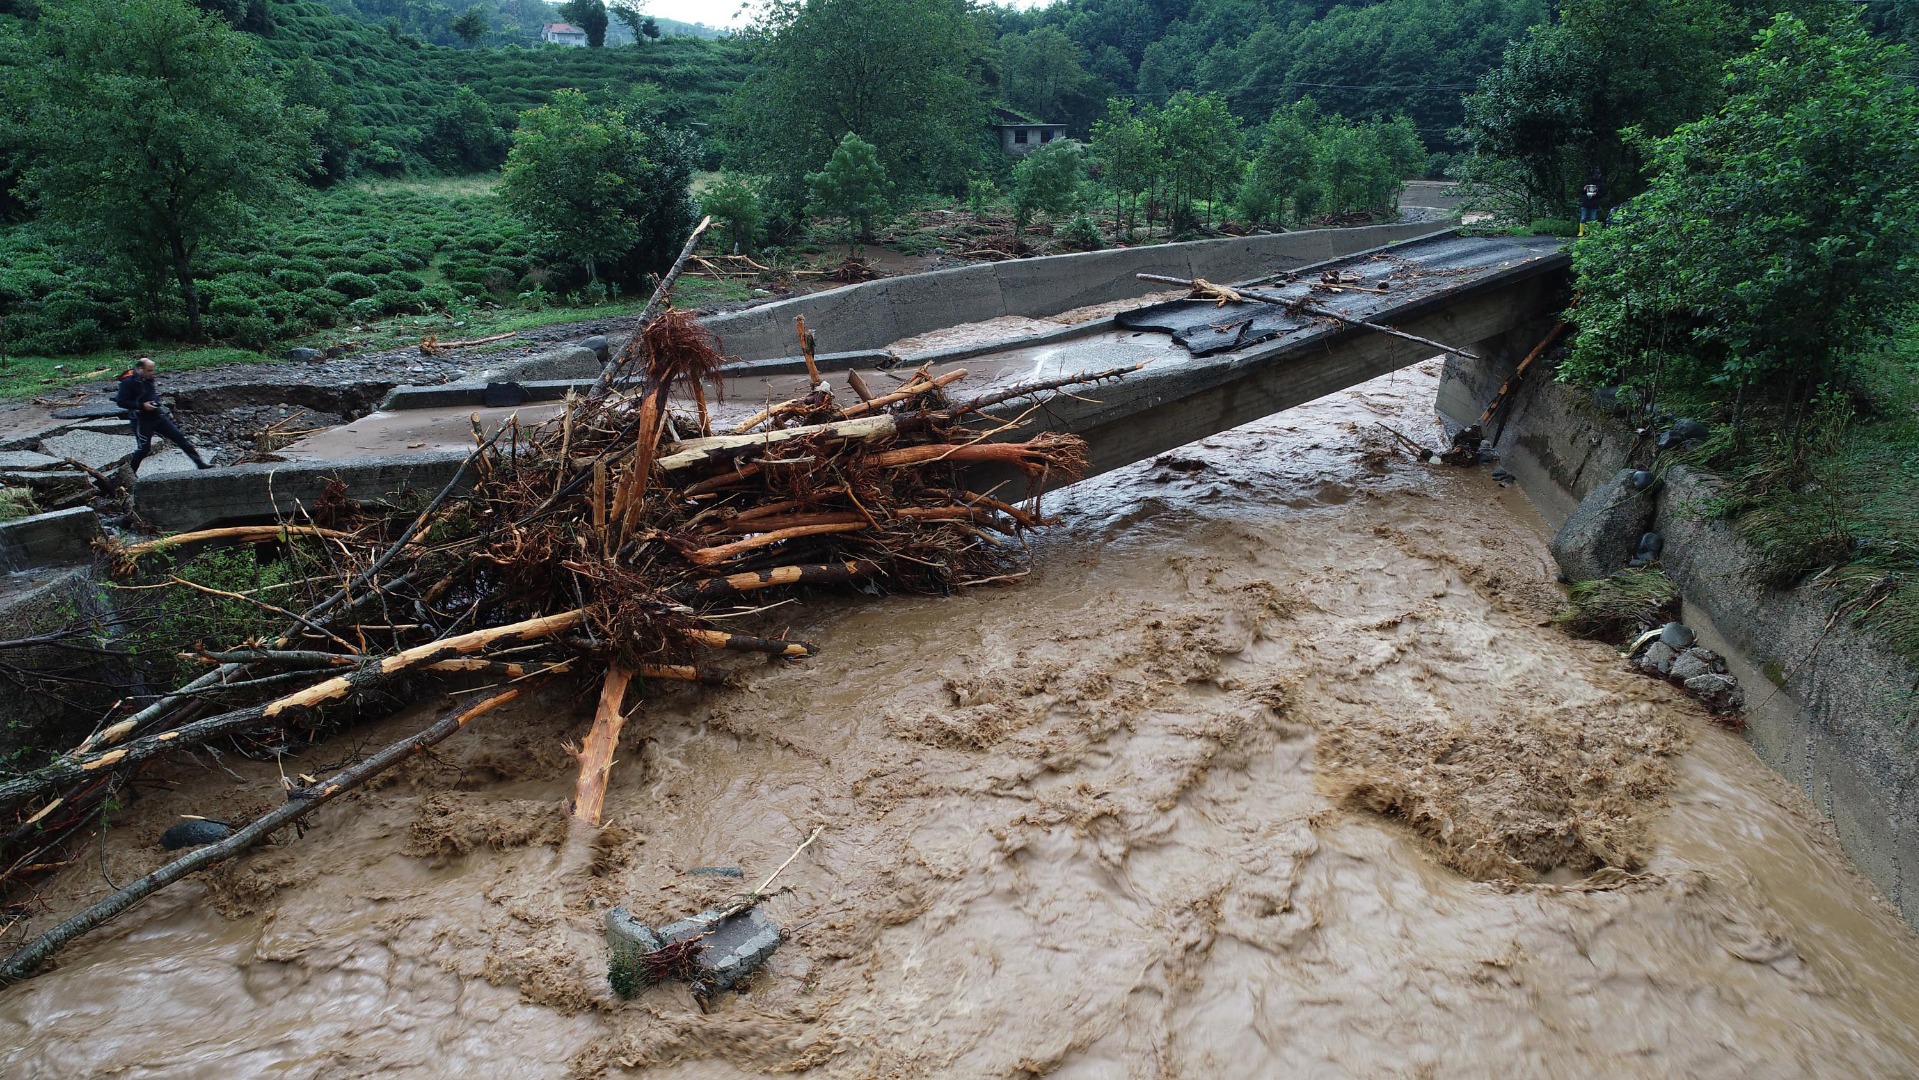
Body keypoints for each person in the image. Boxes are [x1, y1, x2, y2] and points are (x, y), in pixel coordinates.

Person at [115, 358, 212, 472]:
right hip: (141, 420)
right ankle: (130, 473)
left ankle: (200, 464)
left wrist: (155, 403)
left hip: (157, 416)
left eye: (153, 370)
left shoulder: (148, 378)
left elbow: (151, 394)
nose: (152, 373)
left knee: (180, 438)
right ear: (140, 369)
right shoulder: (128, 382)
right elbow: (121, 402)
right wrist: (142, 405)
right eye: (149, 370)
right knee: (143, 449)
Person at [1578, 171, 1605, 237]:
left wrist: (1596, 194)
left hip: (1594, 203)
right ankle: (1581, 232)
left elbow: (1602, 194)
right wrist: (1584, 189)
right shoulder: (1588, 181)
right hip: (1585, 203)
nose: (1597, 175)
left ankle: (1592, 233)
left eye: (1598, 174)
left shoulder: (1601, 184)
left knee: (1593, 219)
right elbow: (1581, 192)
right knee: (1583, 218)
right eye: (1595, 174)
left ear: (1600, 175)